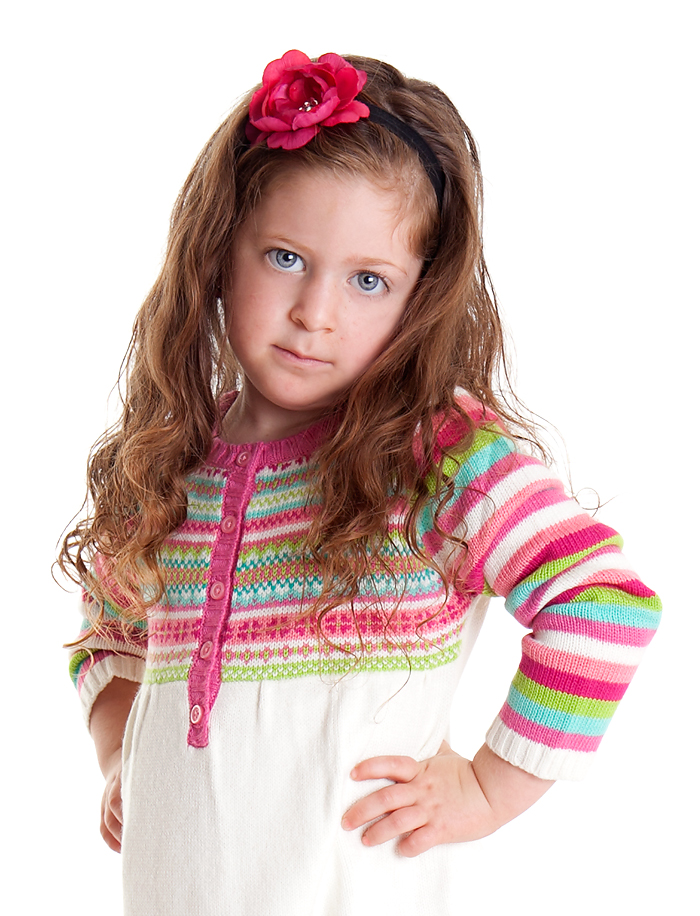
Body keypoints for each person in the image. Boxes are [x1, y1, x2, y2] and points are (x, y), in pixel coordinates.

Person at [60, 51, 661, 916]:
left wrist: (492, 787)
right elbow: (106, 630)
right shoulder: (169, 461)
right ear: (218, 249)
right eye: (285, 257)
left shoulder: (434, 456)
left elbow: (601, 600)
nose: (316, 313)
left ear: (419, 298)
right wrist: (122, 752)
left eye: (368, 280)